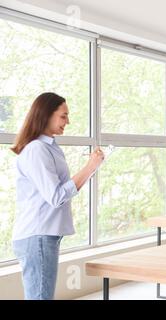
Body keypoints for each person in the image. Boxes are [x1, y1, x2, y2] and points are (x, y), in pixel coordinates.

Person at [11, 92, 104, 300]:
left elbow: (63, 190)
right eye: (63, 116)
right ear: (46, 115)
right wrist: (89, 166)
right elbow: (56, 196)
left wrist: (91, 168)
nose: (67, 121)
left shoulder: (47, 147)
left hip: (43, 235)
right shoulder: (37, 150)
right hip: (38, 235)